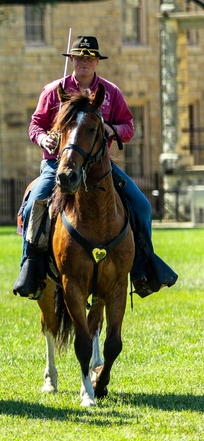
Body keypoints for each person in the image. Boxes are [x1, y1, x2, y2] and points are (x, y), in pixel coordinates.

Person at [13, 35, 178, 299]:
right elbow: (36, 125)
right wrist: (44, 138)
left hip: (100, 167)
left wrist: (111, 129)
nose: (84, 63)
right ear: (72, 60)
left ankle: (143, 267)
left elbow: (129, 127)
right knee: (35, 203)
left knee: (142, 205)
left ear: (97, 61)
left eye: (89, 58)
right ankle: (30, 267)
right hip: (57, 163)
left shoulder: (111, 92)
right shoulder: (54, 90)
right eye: (79, 57)